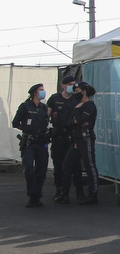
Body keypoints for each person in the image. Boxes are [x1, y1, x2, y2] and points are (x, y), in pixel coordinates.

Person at [61, 82, 99, 205]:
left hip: (85, 137)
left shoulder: (89, 106)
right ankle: (64, 193)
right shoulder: (78, 106)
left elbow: (82, 120)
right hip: (76, 138)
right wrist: (77, 118)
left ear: (83, 92)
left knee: (89, 164)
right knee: (67, 164)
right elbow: (69, 122)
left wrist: (77, 119)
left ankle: (93, 193)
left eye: (77, 91)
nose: (75, 94)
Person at [13, 83, 50, 207]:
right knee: (29, 167)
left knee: (41, 170)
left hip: (41, 142)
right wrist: (27, 130)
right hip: (29, 142)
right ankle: (32, 194)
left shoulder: (44, 108)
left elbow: (46, 123)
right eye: (41, 90)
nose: (43, 92)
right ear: (35, 93)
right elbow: (15, 123)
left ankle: (36, 197)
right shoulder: (25, 106)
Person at [49, 75, 83, 203]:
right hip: (58, 135)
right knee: (58, 165)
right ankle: (60, 191)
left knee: (75, 166)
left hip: (72, 135)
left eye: (73, 84)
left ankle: (79, 192)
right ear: (63, 85)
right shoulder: (54, 98)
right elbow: (47, 115)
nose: (71, 86)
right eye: (69, 84)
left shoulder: (76, 99)